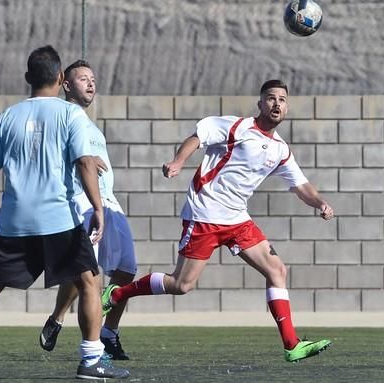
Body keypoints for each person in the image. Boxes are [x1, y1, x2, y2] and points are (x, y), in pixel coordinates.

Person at [0, 46, 129, 382]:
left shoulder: (8, 116)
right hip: (59, 220)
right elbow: (84, 163)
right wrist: (98, 208)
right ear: (61, 78)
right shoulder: (71, 116)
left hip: (14, 222)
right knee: (89, 281)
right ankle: (92, 360)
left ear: (28, 79)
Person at [101, 79, 335, 362]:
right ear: (260, 103)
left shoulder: (280, 150)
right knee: (181, 285)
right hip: (205, 214)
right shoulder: (237, 126)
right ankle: (118, 294)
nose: (276, 104)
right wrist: (178, 162)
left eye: (282, 99)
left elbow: (301, 185)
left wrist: (319, 202)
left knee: (277, 270)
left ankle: (291, 344)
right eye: (270, 98)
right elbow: (198, 137)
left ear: (287, 107)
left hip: (237, 219)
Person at [39, 60, 137, 360]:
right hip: (82, 202)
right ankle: (82, 341)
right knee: (89, 275)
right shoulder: (61, 117)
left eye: (93, 79)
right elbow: (52, 155)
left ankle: (108, 332)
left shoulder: (89, 123)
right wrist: (83, 162)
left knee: (126, 271)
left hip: (109, 202)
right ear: (66, 84)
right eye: (83, 79)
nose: (91, 83)